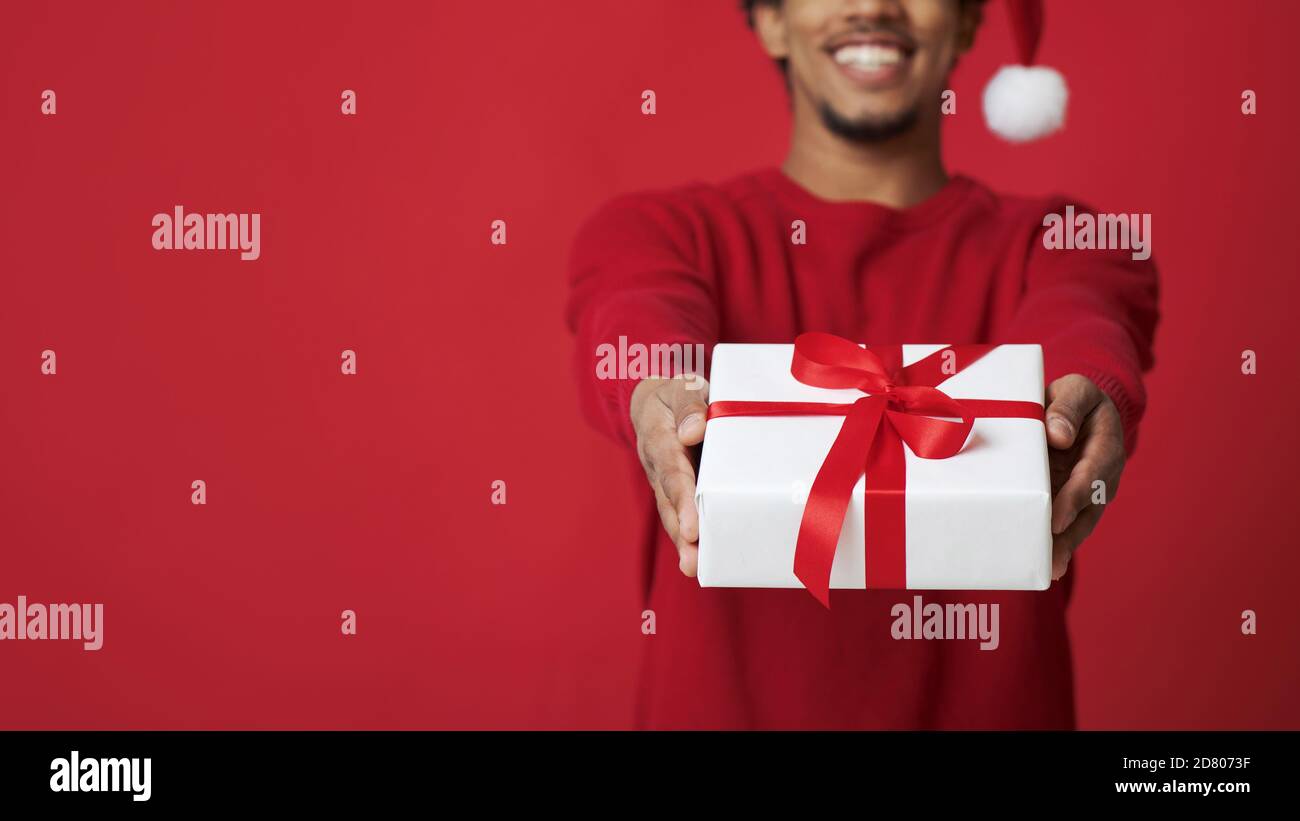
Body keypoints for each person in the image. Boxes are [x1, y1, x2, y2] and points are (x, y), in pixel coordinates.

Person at [565, 0, 1158, 729]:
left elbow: (1085, 319)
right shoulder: (662, 233)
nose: (873, 5)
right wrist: (659, 386)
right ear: (772, 19)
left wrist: (1088, 389)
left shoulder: (1070, 240)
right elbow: (638, 312)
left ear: (969, 22)